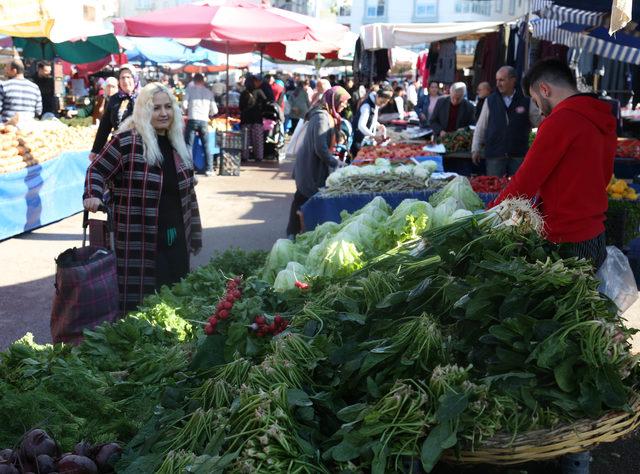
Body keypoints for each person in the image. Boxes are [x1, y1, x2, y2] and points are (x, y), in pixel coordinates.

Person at [83, 82, 202, 313]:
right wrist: (93, 195)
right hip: (139, 239)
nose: (164, 113)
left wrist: (187, 181)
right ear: (144, 110)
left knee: (177, 295)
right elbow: (96, 170)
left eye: (168, 107)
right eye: (156, 108)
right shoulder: (127, 142)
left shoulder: (177, 143)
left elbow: (187, 191)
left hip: (176, 236)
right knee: (142, 303)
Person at [490, 58, 616, 270]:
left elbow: (525, 181)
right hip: (594, 233)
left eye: (536, 100)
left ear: (545, 89)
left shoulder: (560, 120)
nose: (539, 109)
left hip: (565, 237)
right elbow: (605, 175)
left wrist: (490, 215)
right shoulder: (601, 117)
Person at [286, 86, 350, 237]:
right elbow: (320, 148)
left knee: (301, 198)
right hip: (310, 166)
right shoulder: (321, 117)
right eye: (343, 102)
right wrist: (335, 163)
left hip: (312, 165)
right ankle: (295, 234)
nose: (345, 105)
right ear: (333, 101)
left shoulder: (326, 115)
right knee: (303, 198)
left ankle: (295, 232)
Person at [472, 65, 541, 176]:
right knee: (494, 191)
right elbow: (481, 126)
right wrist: (475, 148)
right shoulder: (490, 100)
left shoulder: (526, 100)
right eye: (497, 80)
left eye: (502, 80)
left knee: (518, 192)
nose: (498, 83)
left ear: (513, 80)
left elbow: (539, 122)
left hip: (518, 155)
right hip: (495, 155)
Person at [89, 64, 140, 160]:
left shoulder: (143, 98)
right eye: (122, 78)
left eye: (128, 77)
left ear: (135, 79)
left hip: (139, 147)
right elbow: (104, 126)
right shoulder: (114, 99)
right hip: (119, 147)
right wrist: (95, 150)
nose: (125, 81)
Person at [183, 73, 218, 176]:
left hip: (192, 119)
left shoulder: (189, 90)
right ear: (203, 81)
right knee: (207, 145)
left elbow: (184, 105)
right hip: (204, 120)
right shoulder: (209, 92)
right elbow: (215, 110)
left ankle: (189, 169)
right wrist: (208, 113)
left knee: (189, 145)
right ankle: (209, 169)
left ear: (194, 80)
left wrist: (188, 110)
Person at [351, 86, 392, 155]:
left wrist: (378, 126)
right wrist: (374, 136)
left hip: (366, 142)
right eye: (382, 102)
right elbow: (361, 125)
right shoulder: (367, 106)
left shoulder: (375, 104)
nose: (382, 104)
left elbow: (370, 120)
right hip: (359, 141)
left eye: (385, 103)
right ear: (377, 96)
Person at [239, 74, 267, 162]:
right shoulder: (259, 91)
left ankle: (244, 156)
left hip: (245, 119)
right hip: (257, 118)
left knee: (245, 139)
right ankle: (258, 157)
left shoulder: (244, 93)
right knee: (257, 140)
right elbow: (265, 103)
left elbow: (240, 106)